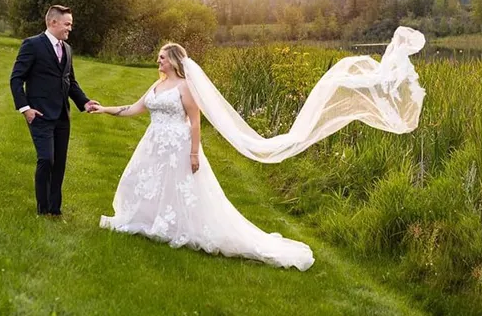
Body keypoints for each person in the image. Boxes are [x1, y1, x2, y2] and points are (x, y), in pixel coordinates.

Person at [93, 27, 425, 270]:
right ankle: (152, 224)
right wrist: (103, 108)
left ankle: (181, 228)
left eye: (162, 58)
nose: (158, 61)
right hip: (154, 145)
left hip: (179, 147)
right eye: (159, 58)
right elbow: (136, 108)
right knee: (150, 186)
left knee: (184, 191)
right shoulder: (157, 84)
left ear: (176, 61)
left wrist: (194, 154)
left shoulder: (185, 88)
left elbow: (194, 123)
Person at [10, 5, 99, 217]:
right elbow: (16, 79)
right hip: (39, 114)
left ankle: (54, 209)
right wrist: (25, 109)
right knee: (46, 159)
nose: (70, 28)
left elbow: (70, 82)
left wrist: (84, 102)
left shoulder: (67, 49)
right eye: (67, 24)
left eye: (71, 24)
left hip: (62, 116)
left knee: (59, 163)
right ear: (53, 23)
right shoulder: (32, 45)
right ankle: (42, 209)